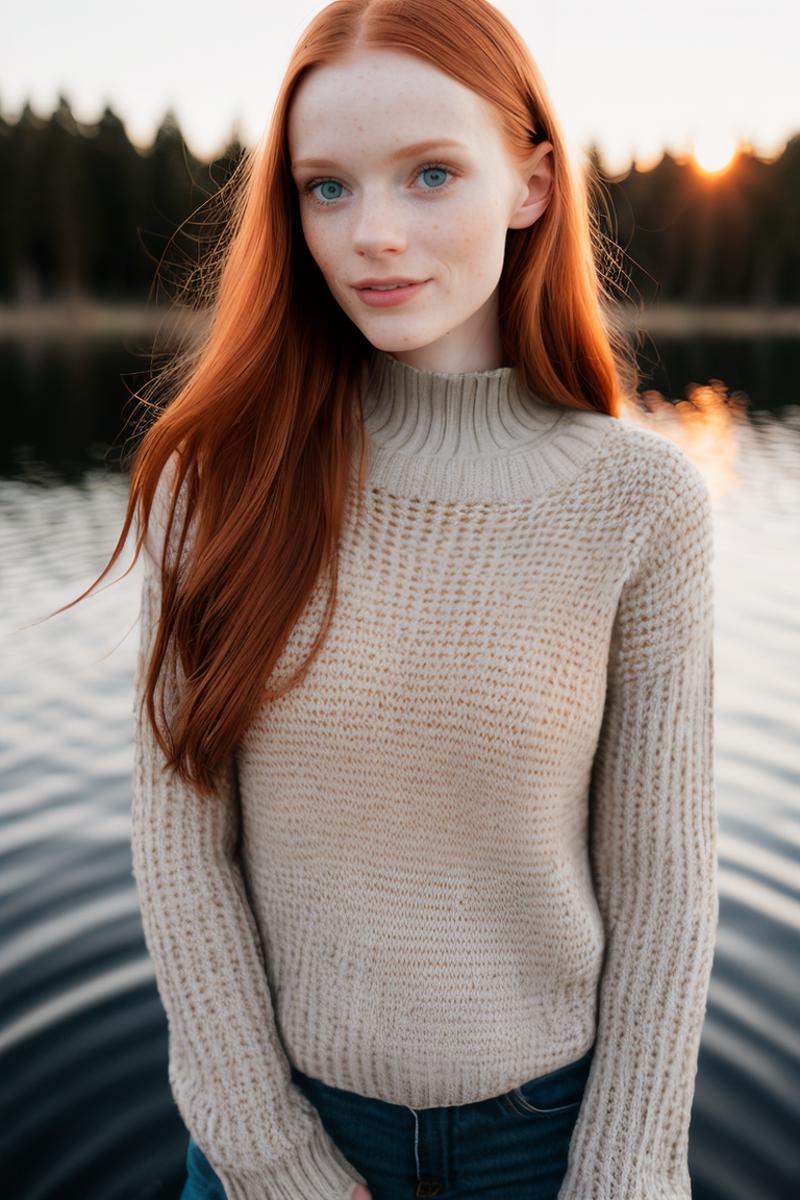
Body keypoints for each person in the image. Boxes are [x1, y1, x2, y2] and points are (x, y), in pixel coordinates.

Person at [96, 1, 718, 1197]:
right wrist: (274, 1163)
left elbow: (662, 884)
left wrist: (629, 1168)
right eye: (325, 188)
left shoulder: (639, 503)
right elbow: (181, 854)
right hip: (275, 1136)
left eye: (429, 174)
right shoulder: (216, 476)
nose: (371, 234)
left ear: (531, 184)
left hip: (549, 1144)